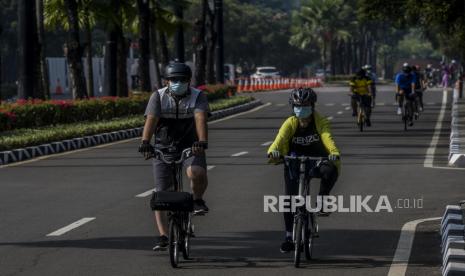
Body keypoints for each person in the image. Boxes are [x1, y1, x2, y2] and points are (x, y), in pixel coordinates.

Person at [138, 62, 210, 251]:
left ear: (189, 81)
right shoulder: (158, 97)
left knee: (197, 172)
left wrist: (202, 142)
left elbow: (200, 118)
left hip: (190, 146)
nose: (178, 83)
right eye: (174, 80)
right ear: (167, 81)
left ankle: (197, 200)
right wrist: (146, 143)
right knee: (162, 193)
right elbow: (151, 120)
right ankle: (163, 235)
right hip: (163, 147)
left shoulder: (198, 96)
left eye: (182, 80)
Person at [267, 87, 340, 253]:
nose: (302, 108)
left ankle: (322, 201)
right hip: (294, 160)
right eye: (298, 105)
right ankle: (288, 236)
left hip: (318, 160)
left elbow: (327, 137)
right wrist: (273, 151)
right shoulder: (290, 123)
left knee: (330, 172)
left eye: (306, 104)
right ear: (292, 106)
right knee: (289, 200)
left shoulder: (320, 121)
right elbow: (279, 139)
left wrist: (334, 153)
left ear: (312, 106)